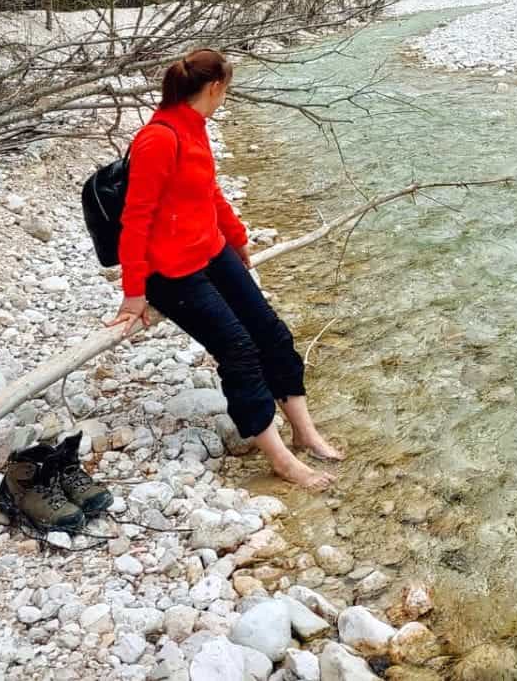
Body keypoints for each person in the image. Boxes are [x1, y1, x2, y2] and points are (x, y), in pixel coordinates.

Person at [108, 48, 342, 491]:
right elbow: (135, 220)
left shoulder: (194, 128)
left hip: (209, 251)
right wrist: (134, 293)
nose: (225, 99)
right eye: (226, 91)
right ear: (214, 88)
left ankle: (304, 431)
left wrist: (235, 238)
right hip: (171, 271)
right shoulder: (158, 139)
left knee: (271, 332)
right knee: (239, 349)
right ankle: (280, 459)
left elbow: (208, 191)